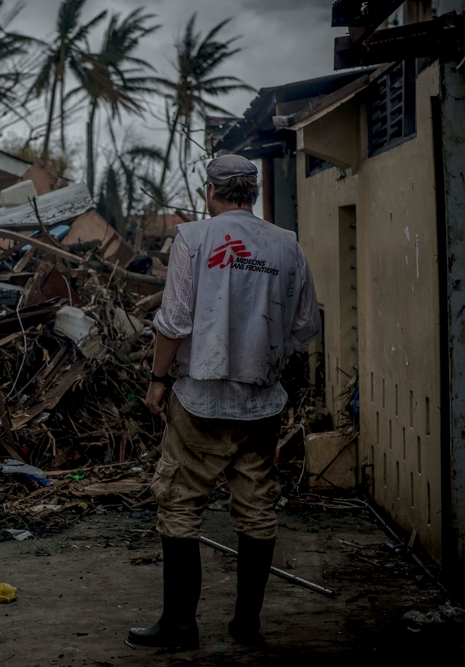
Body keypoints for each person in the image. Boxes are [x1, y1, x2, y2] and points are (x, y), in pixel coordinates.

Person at [126, 155, 320, 650]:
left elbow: (173, 323)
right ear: (251, 193)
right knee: (257, 509)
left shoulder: (193, 238)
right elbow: (305, 328)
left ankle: (180, 626)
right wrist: (263, 352)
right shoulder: (288, 245)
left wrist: (156, 380)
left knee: (180, 505)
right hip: (262, 403)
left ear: (211, 191)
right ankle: (246, 624)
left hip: (200, 401)